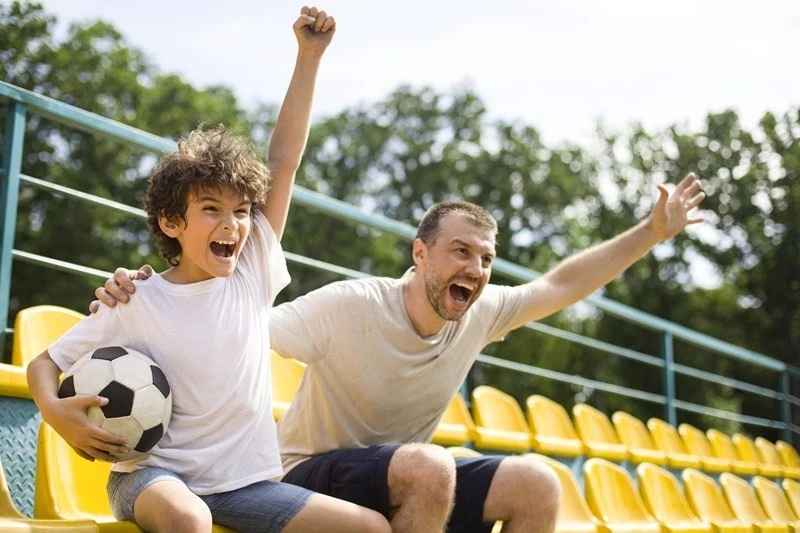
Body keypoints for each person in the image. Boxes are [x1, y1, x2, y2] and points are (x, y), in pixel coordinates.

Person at [96, 165, 705, 532]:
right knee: (428, 466)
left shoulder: (482, 310)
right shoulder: (350, 305)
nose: (476, 268)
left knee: (537, 484)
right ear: (420, 254)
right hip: (308, 474)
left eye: (486, 259)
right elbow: (233, 330)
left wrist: (652, 231)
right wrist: (151, 292)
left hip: (409, 479)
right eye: (461, 252)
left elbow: (563, 285)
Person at [28, 7, 390, 533]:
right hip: (152, 480)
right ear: (171, 221)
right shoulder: (135, 299)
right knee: (188, 516)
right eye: (211, 209)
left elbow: (283, 161)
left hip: (244, 487)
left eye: (241, 211)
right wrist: (54, 411)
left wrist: (309, 57)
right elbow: (45, 362)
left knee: (372, 527)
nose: (232, 224)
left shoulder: (252, 270)